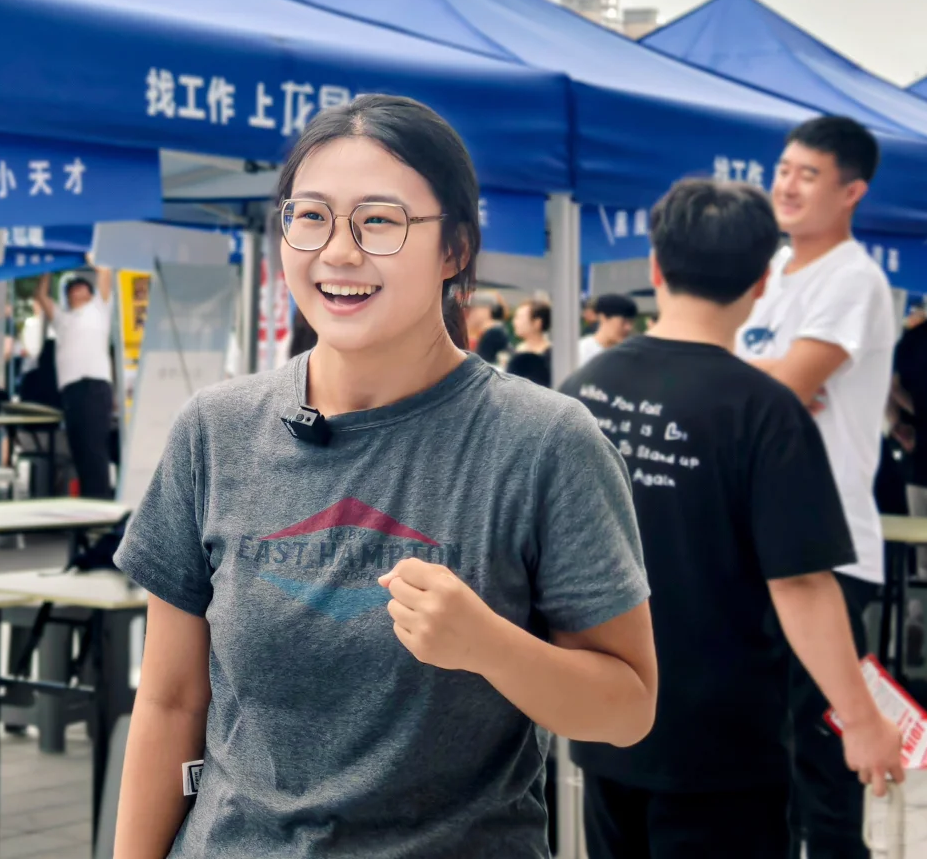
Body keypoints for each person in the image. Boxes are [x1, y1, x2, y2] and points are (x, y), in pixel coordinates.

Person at [112, 94, 655, 858]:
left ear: (455, 248)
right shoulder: (216, 429)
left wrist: (489, 646)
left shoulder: (544, 441)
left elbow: (627, 707)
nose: (338, 251)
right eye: (311, 217)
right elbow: (170, 702)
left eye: (379, 221)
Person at [562, 179, 903, 858]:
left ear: (656, 269)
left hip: (605, 720)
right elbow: (802, 586)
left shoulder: (581, 394)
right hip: (722, 744)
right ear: (759, 284)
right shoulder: (763, 411)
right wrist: (861, 720)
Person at [733, 115, 898, 859]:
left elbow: (786, 385)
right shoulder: (770, 271)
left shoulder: (853, 278)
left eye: (808, 174)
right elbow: (762, 389)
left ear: (852, 192)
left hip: (830, 555)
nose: (786, 184)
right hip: (756, 548)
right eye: (784, 167)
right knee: (764, 766)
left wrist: (769, 384)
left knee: (823, 781)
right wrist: (767, 385)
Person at [36, 268, 116, 499]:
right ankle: (88, 509)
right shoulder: (64, 319)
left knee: (94, 450)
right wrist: (46, 271)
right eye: (71, 288)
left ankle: (100, 508)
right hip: (71, 391)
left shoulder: (99, 310)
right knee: (79, 450)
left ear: (90, 293)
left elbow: (105, 274)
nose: (76, 290)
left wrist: (93, 260)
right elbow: (41, 297)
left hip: (94, 386)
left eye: (80, 286)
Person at [894, 312, 927, 578]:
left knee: (920, 554)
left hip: (917, 461)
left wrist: (902, 422)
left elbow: (892, 386)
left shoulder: (917, 336)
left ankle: (916, 616)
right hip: (926, 456)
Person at [578, 293, 638, 364]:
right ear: (603, 317)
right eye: (623, 322)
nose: (628, 328)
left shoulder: (630, 354)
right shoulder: (581, 352)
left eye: (631, 322)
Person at [506, 298, 553, 385]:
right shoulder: (516, 350)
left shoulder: (551, 356)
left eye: (519, 318)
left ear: (537, 323)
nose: (515, 322)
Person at [466, 292, 511, 362]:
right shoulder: (494, 331)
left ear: (486, 310)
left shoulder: (494, 333)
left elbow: (480, 365)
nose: (470, 313)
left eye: (474, 309)